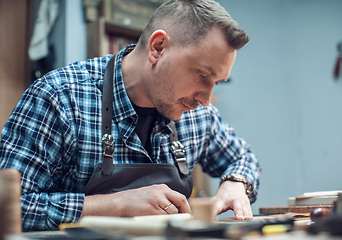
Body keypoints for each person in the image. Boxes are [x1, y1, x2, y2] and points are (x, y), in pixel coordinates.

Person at [0, 0, 261, 232]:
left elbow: (243, 158)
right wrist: (118, 203)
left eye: (217, 81)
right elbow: (10, 206)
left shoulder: (198, 116)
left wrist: (236, 184)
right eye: (202, 74)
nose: (205, 99)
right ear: (158, 48)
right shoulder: (60, 98)